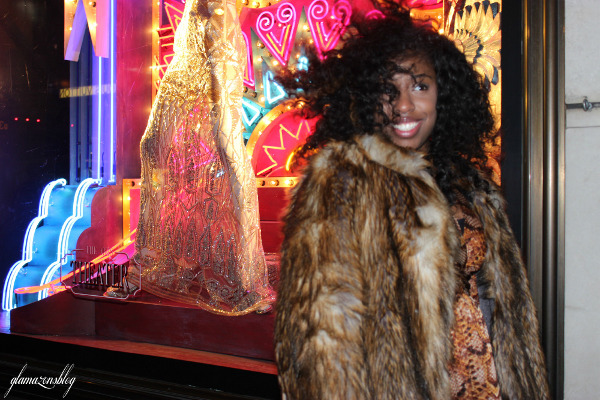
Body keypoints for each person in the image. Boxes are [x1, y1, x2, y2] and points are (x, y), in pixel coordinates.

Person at [274, 8, 550, 399]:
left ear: (444, 93)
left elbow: (499, 302)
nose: (403, 106)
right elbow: (320, 336)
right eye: (388, 90)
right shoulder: (343, 180)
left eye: (420, 86)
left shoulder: (468, 182)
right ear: (367, 98)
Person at [120, 0, 274, 315]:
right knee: (215, 193)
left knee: (212, 194)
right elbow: (213, 77)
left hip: (184, 126)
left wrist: (225, 138)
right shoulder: (212, 10)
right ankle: (223, 278)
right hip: (181, 127)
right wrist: (226, 142)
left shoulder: (212, 10)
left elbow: (217, 75)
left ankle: (230, 278)